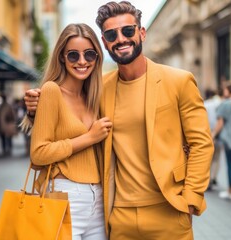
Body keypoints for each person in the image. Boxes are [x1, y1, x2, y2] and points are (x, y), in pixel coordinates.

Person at [23, 2, 214, 239]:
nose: (121, 39)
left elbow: (201, 143)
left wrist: (192, 198)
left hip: (168, 209)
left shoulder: (179, 81)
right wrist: (35, 110)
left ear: (141, 33)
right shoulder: (101, 87)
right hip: (117, 214)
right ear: (105, 42)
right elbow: (68, 111)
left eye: (128, 31)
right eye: (112, 34)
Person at [28, 23, 111, 239]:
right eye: (73, 55)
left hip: (99, 197)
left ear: (97, 57)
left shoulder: (93, 95)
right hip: (66, 195)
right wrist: (89, 137)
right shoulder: (51, 91)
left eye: (89, 54)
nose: (82, 62)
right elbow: (39, 153)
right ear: (62, 58)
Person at [204, 89, 223, 190]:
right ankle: (214, 177)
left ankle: (208, 180)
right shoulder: (219, 104)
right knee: (217, 157)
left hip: (208, 132)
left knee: (209, 158)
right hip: (218, 132)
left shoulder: (205, 104)